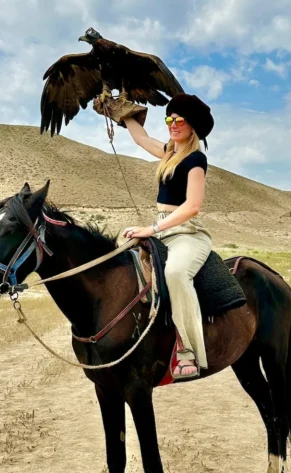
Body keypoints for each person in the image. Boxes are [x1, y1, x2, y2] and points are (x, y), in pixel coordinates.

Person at [95, 93, 214, 381]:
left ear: (192, 125)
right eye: (169, 119)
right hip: (162, 227)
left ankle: (187, 350)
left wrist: (153, 230)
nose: (173, 124)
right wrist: (120, 114)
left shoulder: (196, 159)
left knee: (174, 273)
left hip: (186, 234)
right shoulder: (169, 153)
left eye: (179, 120)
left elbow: (193, 206)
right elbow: (140, 138)